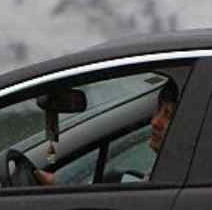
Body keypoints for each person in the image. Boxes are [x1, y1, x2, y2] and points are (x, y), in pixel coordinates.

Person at [33, 78, 179, 185]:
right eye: (158, 111)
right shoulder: (168, 174)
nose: (155, 122)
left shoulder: (173, 179)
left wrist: (57, 186)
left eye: (168, 115)